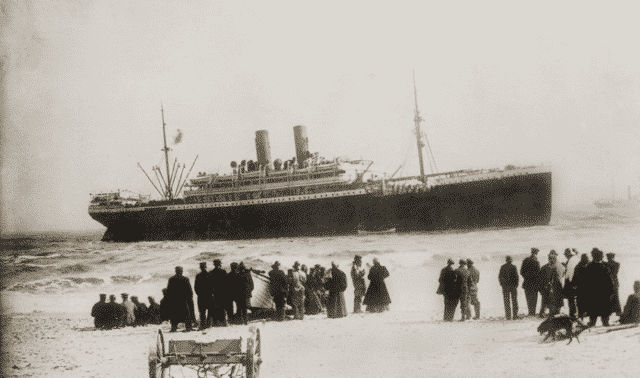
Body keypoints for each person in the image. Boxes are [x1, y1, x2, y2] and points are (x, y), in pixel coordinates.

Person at [583, 248, 614, 327]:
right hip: (604, 293)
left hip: (593, 293)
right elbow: (610, 280)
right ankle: (604, 322)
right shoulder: (605, 265)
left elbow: (585, 282)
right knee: (604, 308)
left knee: (593, 308)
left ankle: (593, 322)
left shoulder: (589, 266)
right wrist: (611, 291)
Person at [166, 266, 194, 332]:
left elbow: (168, 291)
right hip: (183, 300)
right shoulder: (185, 279)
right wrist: (189, 299)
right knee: (186, 314)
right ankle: (188, 328)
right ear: (181, 271)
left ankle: (173, 328)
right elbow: (189, 291)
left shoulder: (171, 279)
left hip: (175, 301)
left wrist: (169, 300)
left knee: (174, 315)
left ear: (175, 271)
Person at [538, 250, 565, 317]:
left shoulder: (547, 267)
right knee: (552, 303)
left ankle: (546, 313)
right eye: (550, 258)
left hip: (552, 288)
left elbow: (541, 278)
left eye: (553, 258)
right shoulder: (560, 266)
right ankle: (548, 313)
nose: (551, 259)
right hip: (553, 288)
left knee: (549, 302)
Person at [520, 248, 541, 316]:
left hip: (527, 283)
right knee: (534, 298)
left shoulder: (525, 260)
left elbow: (521, 272)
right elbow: (538, 273)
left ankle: (530, 312)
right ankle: (533, 312)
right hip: (534, 283)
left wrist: (526, 277)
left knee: (528, 298)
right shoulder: (536, 262)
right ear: (536, 253)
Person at [209, 259, 229, 327]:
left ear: (214, 264)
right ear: (220, 264)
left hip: (215, 293)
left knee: (215, 308)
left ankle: (215, 323)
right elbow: (227, 284)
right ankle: (223, 322)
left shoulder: (211, 272)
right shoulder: (223, 272)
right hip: (222, 293)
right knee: (223, 308)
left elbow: (210, 284)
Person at [498, 256, 519, 320]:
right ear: (511, 260)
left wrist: (502, 284)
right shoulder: (514, 267)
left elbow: (500, 277)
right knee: (514, 301)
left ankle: (508, 316)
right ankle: (515, 315)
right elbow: (516, 277)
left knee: (507, 301)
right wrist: (516, 285)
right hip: (512, 286)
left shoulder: (503, 267)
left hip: (505, 286)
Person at [194, 262, 212, 329]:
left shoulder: (198, 276)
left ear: (200, 267)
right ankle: (208, 324)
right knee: (210, 311)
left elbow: (196, 287)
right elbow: (212, 286)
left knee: (202, 312)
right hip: (209, 296)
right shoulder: (210, 274)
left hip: (201, 296)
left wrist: (199, 294)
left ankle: (202, 325)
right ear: (205, 267)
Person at [563, 248, 580, 318]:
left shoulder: (571, 260)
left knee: (571, 299)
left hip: (571, 283)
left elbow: (570, 274)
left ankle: (573, 314)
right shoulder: (575, 259)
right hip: (574, 282)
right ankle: (574, 313)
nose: (565, 256)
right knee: (573, 299)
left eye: (566, 255)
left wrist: (571, 283)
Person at [573, 253, 590, 319]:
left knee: (580, 305)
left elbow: (575, 278)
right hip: (586, 288)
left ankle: (581, 318)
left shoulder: (578, 266)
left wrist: (574, 286)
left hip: (580, 288)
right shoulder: (588, 266)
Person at [605, 253, 622, 317]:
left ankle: (612, 311)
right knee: (615, 297)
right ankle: (617, 311)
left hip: (609, 282)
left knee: (611, 297)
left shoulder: (607, 264)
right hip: (614, 282)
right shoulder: (617, 264)